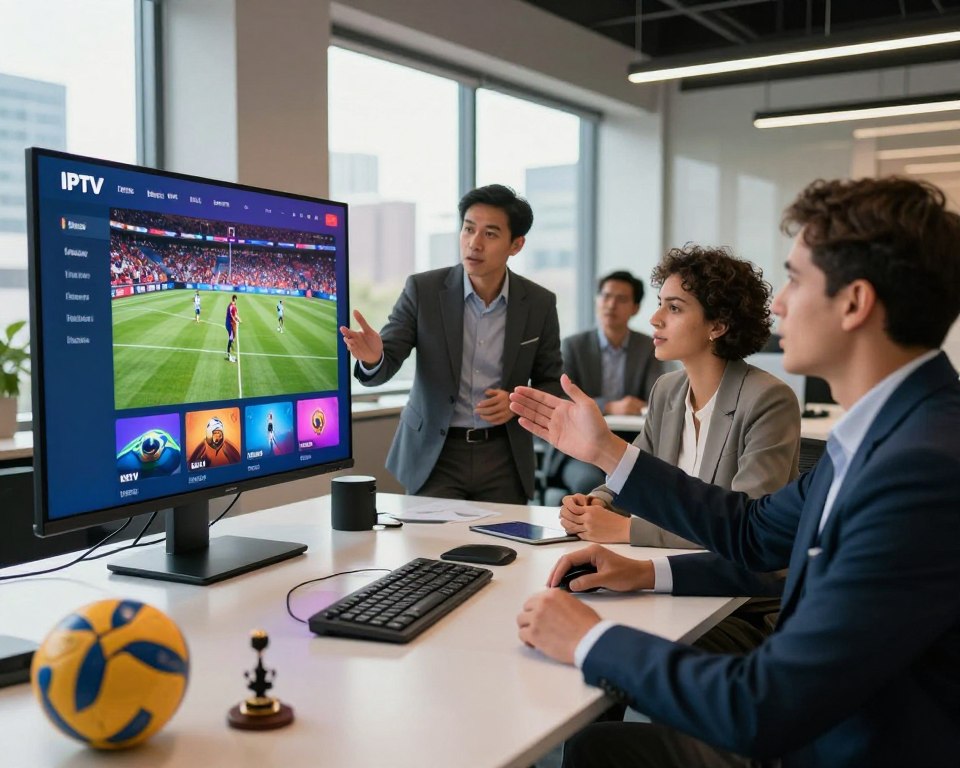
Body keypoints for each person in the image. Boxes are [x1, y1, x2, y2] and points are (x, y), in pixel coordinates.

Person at [510, 176, 960, 767]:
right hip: (819, 725)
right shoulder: (886, 431)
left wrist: (588, 638)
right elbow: (752, 530)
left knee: (602, 750)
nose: (776, 304)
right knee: (601, 748)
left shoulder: (921, 468)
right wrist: (608, 456)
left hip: (834, 746)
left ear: (854, 302)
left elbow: (763, 706)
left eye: (795, 280)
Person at [563, 246, 801, 548]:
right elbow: (637, 470)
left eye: (674, 308)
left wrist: (625, 531)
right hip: (660, 570)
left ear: (717, 325)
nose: (655, 319)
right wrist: (598, 503)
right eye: (660, 304)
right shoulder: (667, 390)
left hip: (733, 584)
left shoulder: (768, 400)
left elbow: (745, 527)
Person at [339, 184, 563, 504]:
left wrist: (518, 402)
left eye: (490, 234)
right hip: (435, 453)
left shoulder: (539, 302)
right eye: (468, 229)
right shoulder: (424, 290)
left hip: (504, 454)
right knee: (428, 548)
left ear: (516, 244)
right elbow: (386, 359)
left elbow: (552, 381)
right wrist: (374, 357)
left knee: (504, 549)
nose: (474, 243)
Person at [550, 270, 671, 495]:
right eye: (605, 296)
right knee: (592, 483)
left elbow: (658, 397)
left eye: (621, 299)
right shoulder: (574, 346)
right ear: (597, 300)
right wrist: (609, 406)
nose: (611, 304)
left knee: (649, 482)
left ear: (635, 308)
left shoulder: (648, 347)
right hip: (580, 447)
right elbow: (562, 399)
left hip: (631, 445)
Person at [225, 294, 240, 362]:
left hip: (229, 324)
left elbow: (235, 315)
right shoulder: (231, 306)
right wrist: (237, 321)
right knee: (231, 338)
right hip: (229, 324)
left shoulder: (231, 306)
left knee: (232, 339)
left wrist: (237, 320)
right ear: (235, 299)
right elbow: (232, 315)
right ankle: (229, 355)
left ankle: (230, 354)